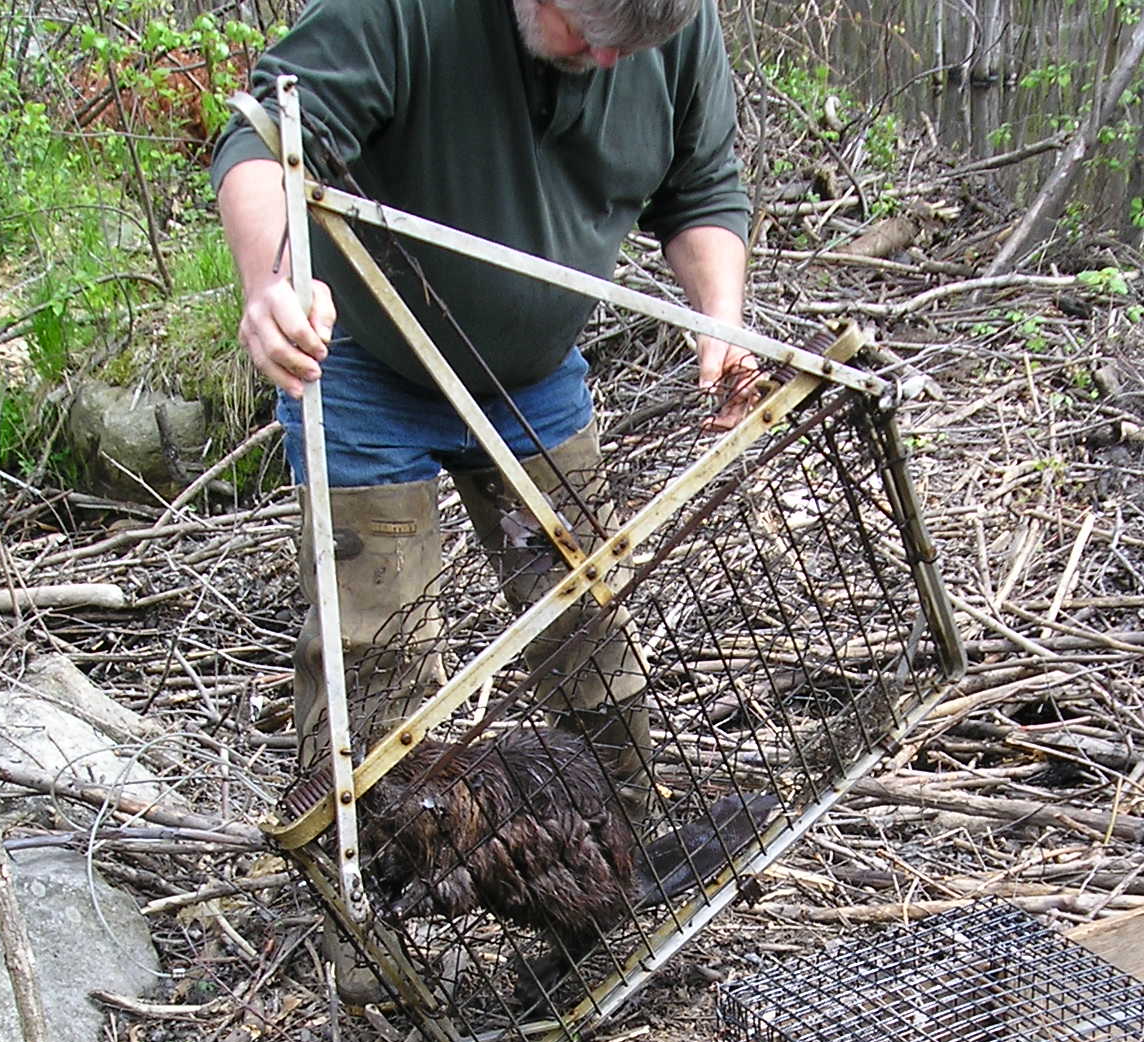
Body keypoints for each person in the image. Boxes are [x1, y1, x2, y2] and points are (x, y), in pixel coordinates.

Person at [211, 0, 758, 800]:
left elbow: (702, 189)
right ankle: (363, 896)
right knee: (375, 659)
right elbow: (264, 143)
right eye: (590, 33)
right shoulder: (402, 12)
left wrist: (720, 323)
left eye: (632, 47)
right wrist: (271, 285)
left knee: (588, 620)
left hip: (532, 381)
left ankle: (622, 844)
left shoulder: (671, 22)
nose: (609, 62)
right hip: (366, 365)